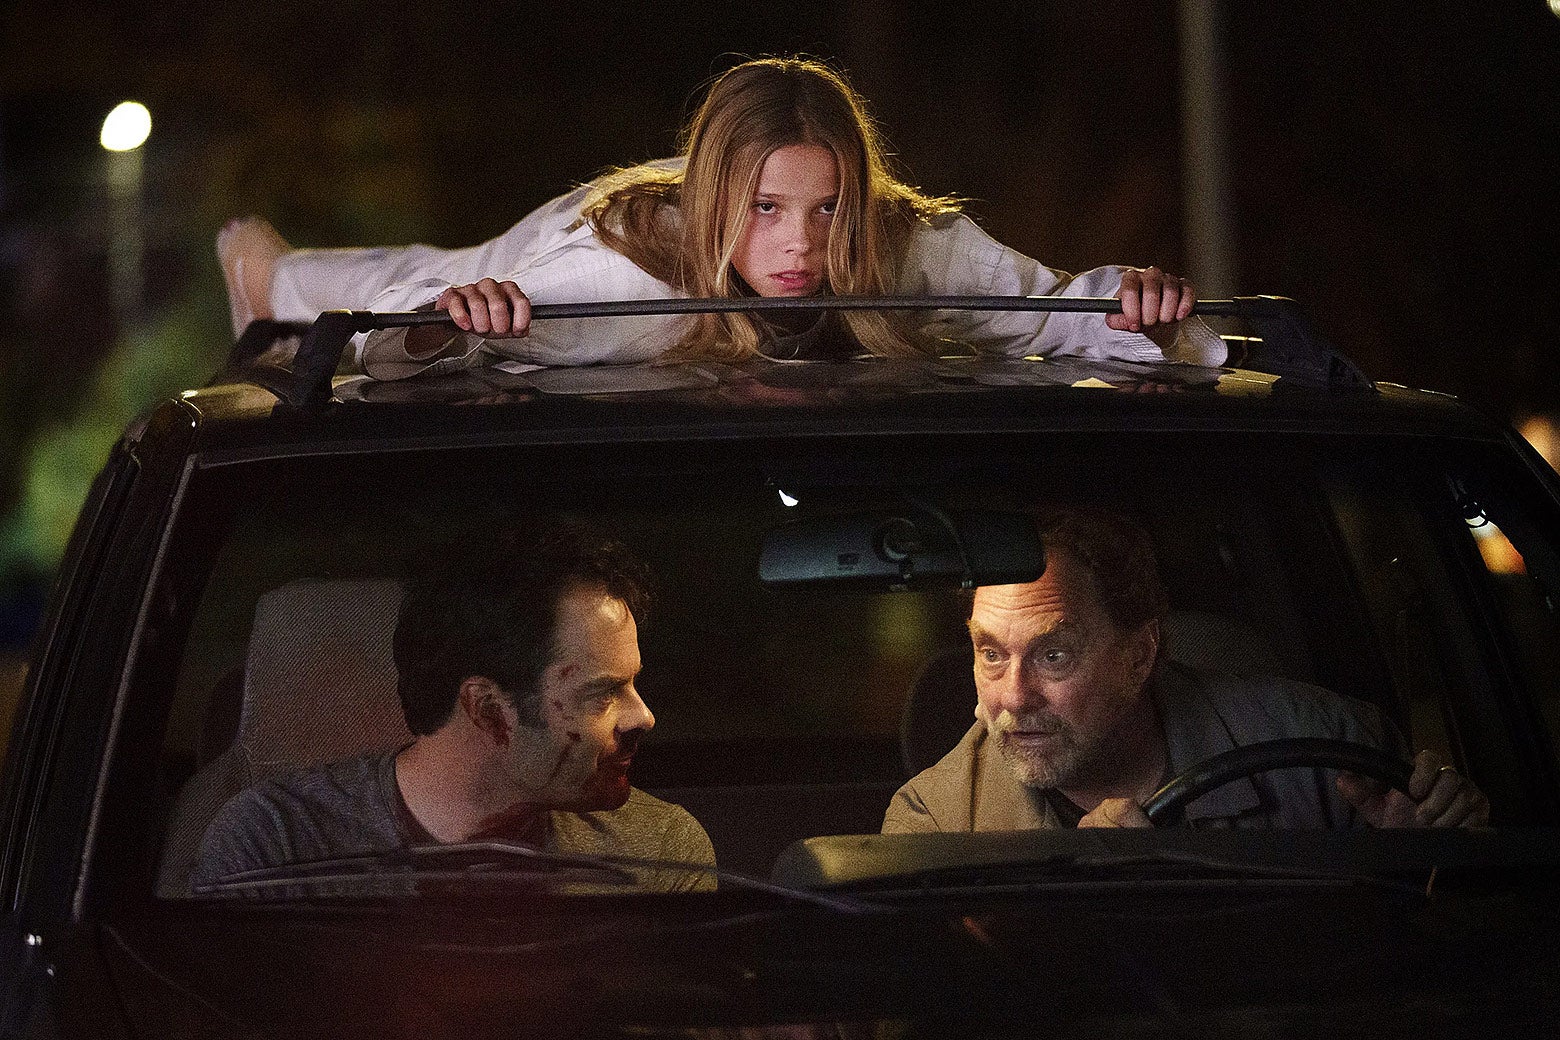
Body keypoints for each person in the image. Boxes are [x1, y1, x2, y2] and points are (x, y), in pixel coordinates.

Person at [217, 56, 1227, 379]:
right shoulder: (619, 286)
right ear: (726, 205)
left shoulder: (896, 244)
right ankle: (276, 280)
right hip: (628, 219)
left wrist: (1151, 314)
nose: (802, 243)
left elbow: (1056, 308)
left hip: (705, 194)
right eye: (771, 212)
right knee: (449, 272)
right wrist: (447, 324)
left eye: (826, 207)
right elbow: (422, 340)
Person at [883, 508, 1491, 832]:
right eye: (991, 654)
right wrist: (1066, 919)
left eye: (1054, 655)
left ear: (1140, 655)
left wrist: (1434, 868)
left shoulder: (1324, 757)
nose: (1013, 698)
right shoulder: (934, 821)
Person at [192, 522, 716, 893]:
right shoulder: (274, 847)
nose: (643, 716)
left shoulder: (658, 851)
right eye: (603, 692)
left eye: (633, 685)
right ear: (488, 710)